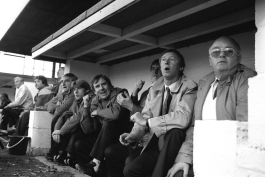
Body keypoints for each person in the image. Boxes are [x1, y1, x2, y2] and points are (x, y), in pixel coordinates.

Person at [166, 36, 256, 177]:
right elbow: (195, 127)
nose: (221, 54)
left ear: (239, 58)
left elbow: (245, 128)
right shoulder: (204, 83)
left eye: (229, 51)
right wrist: (185, 158)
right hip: (203, 153)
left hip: (230, 158)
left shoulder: (247, 79)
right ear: (209, 61)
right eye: (215, 52)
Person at [118, 49, 197, 177]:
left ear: (181, 67)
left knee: (175, 131)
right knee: (129, 166)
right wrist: (133, 135)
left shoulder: (190, 88)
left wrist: (148, 122)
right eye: (163, 60)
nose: (166, 62)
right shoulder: (154, 90)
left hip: (177, 145)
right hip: (157, 142)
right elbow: (144, 116)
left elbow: (183, 118)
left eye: (172, 59)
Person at [105, 59, 162, 177]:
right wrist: (135, 93)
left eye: (159, 68)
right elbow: (138, 111)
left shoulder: (164, 91)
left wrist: (130, 105)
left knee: (129, 162)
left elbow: (150, 116)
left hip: (150, 140)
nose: (155, 71)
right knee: (110, 152)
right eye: (152, 68)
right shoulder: (147, 92)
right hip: (137, 136)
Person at [77, 75, 133, 176]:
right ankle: (93, 171)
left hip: (123, 135)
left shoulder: (120, 92)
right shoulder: (95, 99)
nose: (101, 88)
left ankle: (95, 163)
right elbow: (88, 129)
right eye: (97, 86)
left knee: (109, 122)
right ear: (94, 91)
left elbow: (116, 114)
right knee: (80, 144)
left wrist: (98, 112)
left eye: (104, 84)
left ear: (110, 85)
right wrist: (86, 106)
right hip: (105, 136)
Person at [51, 79, 100, 167]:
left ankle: (68, 154)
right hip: (84, 127)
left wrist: (61, 131)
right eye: (74, 89)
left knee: (76, 127)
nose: (75, 92)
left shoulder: (91, 99)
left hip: (93, 130)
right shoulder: (77, 100)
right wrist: (56, 130)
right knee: (66, 117)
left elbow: (78, 117)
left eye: (79, 89)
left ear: (87, 90)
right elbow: (65, 114)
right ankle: (61, 151)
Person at [45, 73, 78, 160]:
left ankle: (56, 150)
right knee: (58, 118)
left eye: (66, 81)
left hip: (75, 119)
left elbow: (60, 110)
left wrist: (57, 106)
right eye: (62, 81)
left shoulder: (74, 94)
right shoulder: (62, 93)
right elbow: (47, 105)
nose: (63, 84)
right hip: (67, 118)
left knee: (58, 118)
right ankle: (55, 150)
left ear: (74, 83)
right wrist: (57, 105)